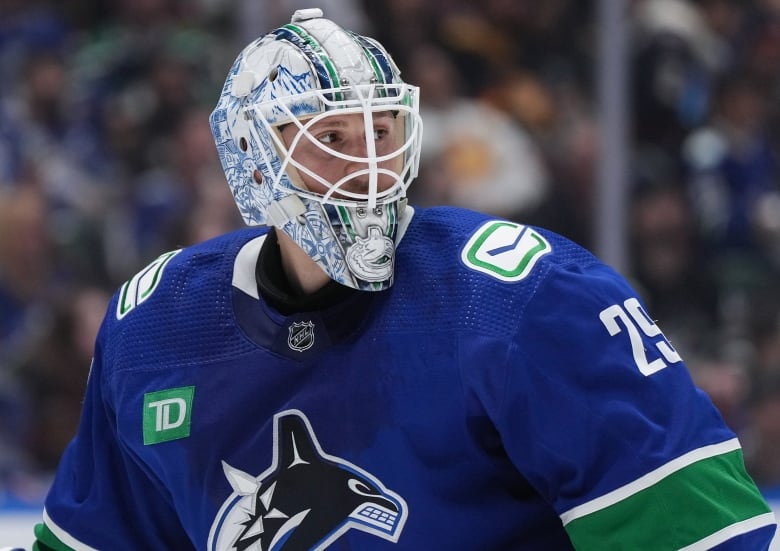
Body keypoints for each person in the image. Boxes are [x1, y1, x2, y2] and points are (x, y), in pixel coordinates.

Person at [31, 8, 776, 550]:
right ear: (254, 162)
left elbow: (704, 535)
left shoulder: (526, 298)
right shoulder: (156, 329)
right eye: (331, 138)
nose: (368, 167)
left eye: (380, 132)